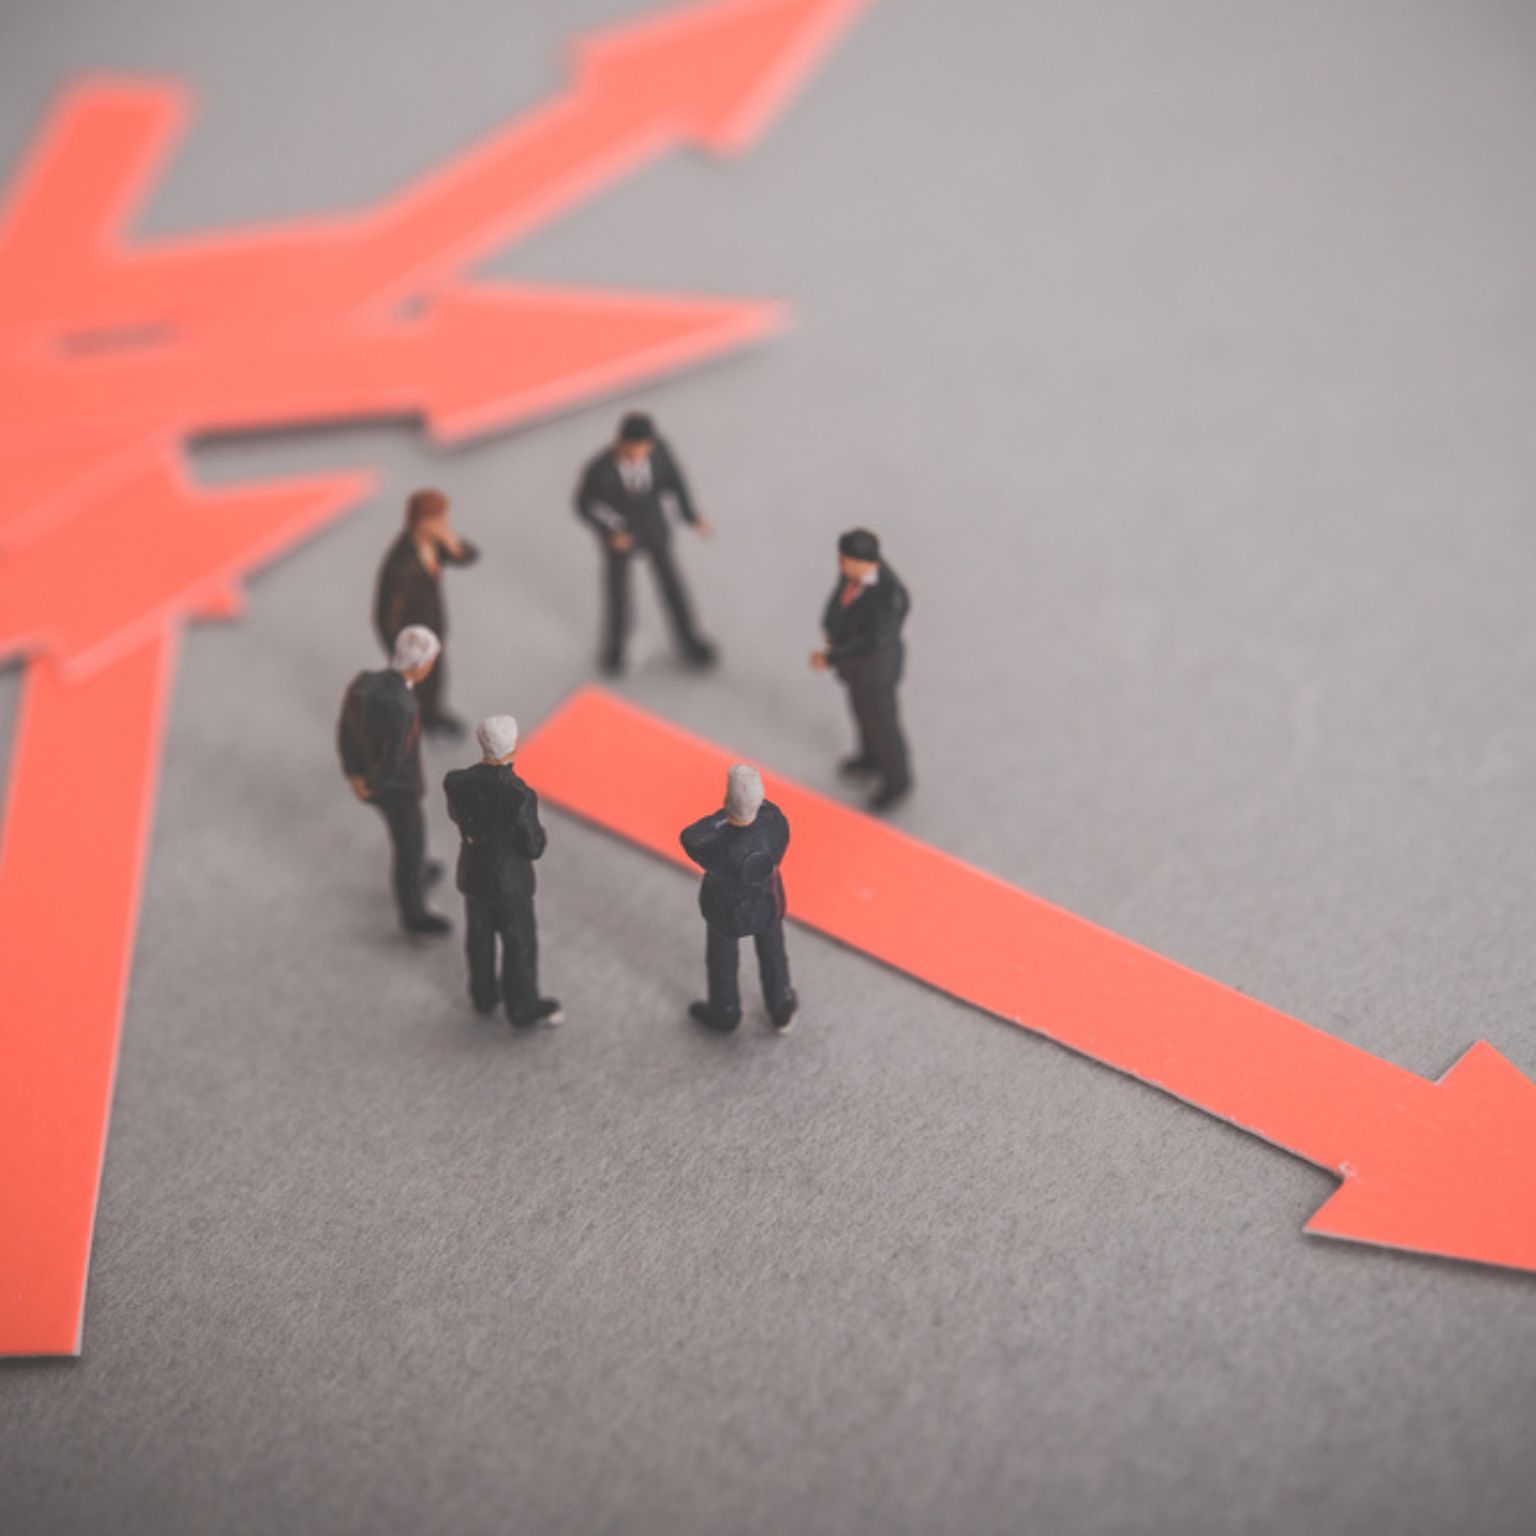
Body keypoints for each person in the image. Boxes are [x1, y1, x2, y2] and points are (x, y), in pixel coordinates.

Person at [573, 411, 718, 675]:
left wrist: (690, 515)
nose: (640, 454)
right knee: (618, 595)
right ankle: (615, 652)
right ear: (621, 443)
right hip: (620, 537)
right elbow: (586, 504)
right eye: (635, 449)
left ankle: (689, 642)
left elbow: (676, 481)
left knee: (673, 586)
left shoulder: (659, 454)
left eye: (645, 448)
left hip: (654, 528)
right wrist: (611, 530)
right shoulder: (600, 469)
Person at [442, 715, 562, 1028]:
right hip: (511, 883)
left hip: (473, 873)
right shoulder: (519, 795)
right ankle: (522, 1006)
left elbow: (456, 816)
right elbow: (532, 847)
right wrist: (542, 834)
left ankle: (482, 994)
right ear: (513, 747)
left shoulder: (456, 782)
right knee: (518, 942)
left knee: (478, 936)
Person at [337, 625, 451, 935]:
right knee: (408, 847)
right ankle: (415, 916)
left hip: (369, 780)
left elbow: (346, 733)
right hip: (398, 790)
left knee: (409, 842)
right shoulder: (404, 706)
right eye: (431, 661)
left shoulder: (363, 684)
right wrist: (374, 782)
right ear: (419, 665)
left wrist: (355, 774)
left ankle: (418, 869)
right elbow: (394, 759)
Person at [680, 764, 798, 1034]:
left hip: (725, 910)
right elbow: (775, 815)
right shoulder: (773, 825)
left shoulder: (716, 842)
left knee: (722, 957)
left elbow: (689, 837)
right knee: (773, 952)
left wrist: (723, 817)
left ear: (727, 801)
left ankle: (725, 1010)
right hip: (768, 902)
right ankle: (780, 1006)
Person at [810, 528, 912, 811]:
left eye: (845, 562)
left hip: (875, 672)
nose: (841, 567)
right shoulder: (850, 573)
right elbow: (839, 600)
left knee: (883, 725)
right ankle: (869, 757)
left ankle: (897, 780)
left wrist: (831, 657)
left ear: (864, 562)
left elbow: (873, 641)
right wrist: (830, 627)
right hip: (854, 669)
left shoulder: (891, 596)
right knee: (862, 715)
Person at [373, 487, 479, 738]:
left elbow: (469, 557)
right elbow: (385, 618)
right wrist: (401, 654)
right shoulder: (400, 566)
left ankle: (433, 717)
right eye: (440, 521)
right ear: (423, 522)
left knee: (435, 681)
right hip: (413, 644)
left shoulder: (434, 546)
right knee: (412, 690)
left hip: (433, 628)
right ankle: (411, 726)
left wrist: (455, 544)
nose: (445, 526)